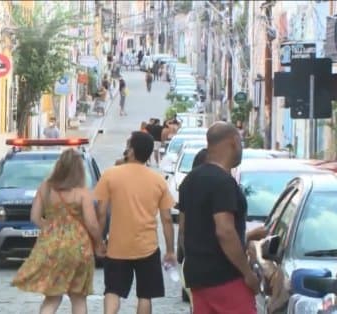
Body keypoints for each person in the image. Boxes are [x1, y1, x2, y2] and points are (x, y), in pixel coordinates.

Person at [12, 149, 105, 314]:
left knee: (52, 298)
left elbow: (34, 217)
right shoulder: (82, 192)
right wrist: (98, 243)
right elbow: (91, 224)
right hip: (78, 246)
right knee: (78, 299)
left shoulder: (45, 188)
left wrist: (51, 229)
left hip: (51, 246)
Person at [179, 122, 258, 314]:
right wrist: (247, 273)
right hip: (226, 277)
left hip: (198, 278)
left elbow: (182, 230)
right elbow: (225, 230)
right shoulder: (223, 183)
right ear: (233, 142)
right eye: (241, 142)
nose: (241, 148)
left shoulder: (189, 181)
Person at [94, 131, 177, 314]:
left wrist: (98, 241)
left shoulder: (110, 175)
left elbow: (101, 212)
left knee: (112, 291)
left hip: (117, 247)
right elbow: (167, 219)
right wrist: (170, 250)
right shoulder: (158, 180)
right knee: (145, 295)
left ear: (131, 151)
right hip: (147, 247)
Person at [177, 148, 208, 306]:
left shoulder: (186, 184)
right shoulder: (223, 184)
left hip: (194, 259)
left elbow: (183, 227)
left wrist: (186, 254)